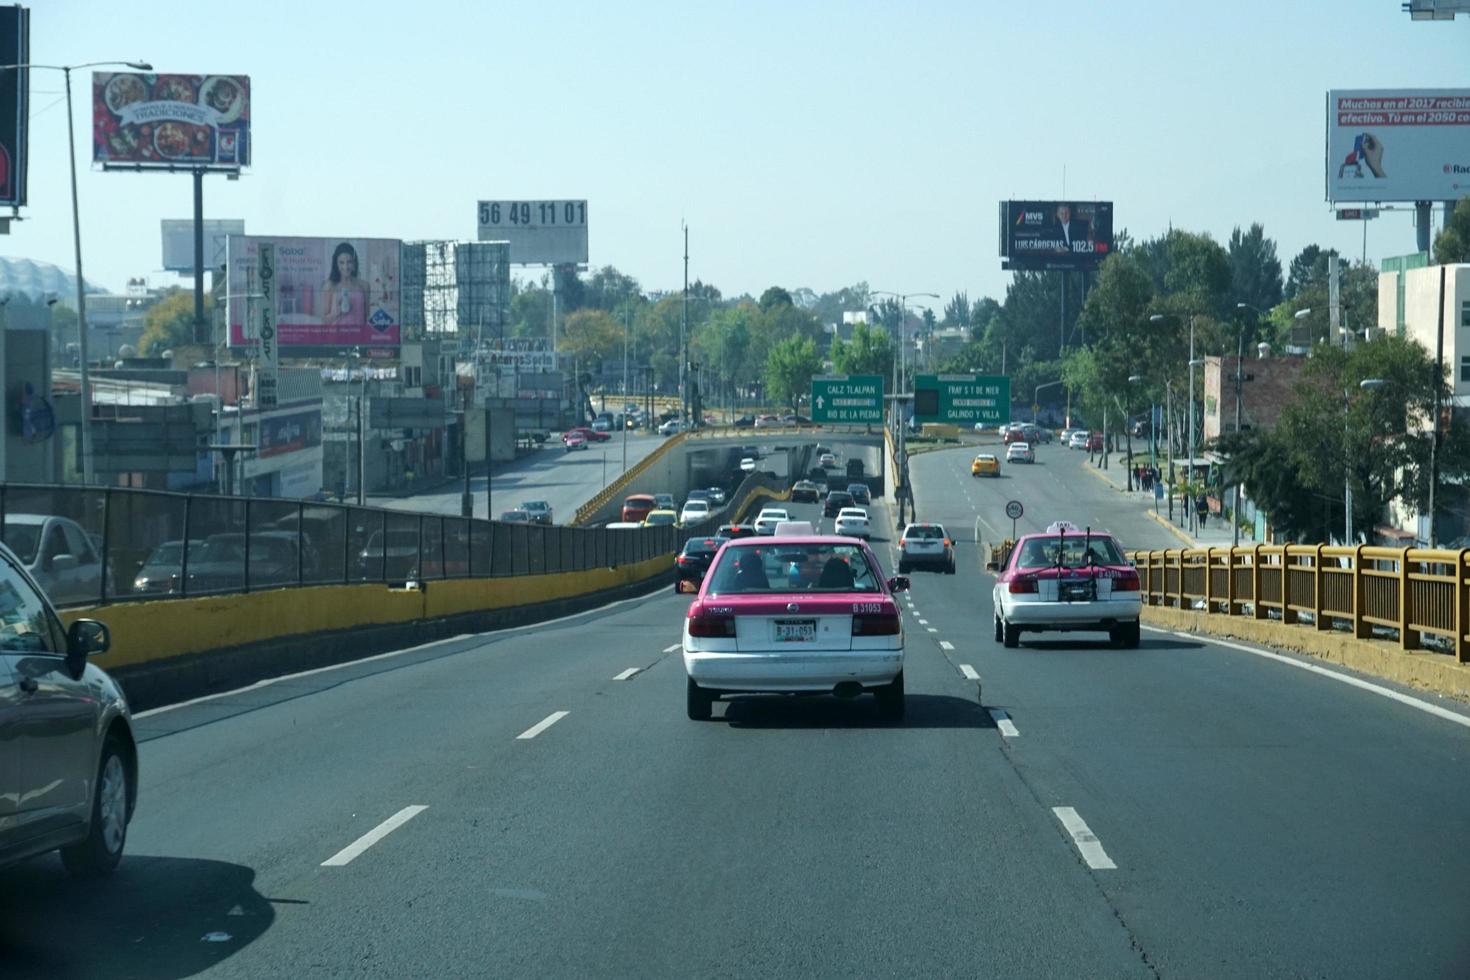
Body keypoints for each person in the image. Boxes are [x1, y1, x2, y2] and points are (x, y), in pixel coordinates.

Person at [317, 242, 370, 325]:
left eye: (349, 262)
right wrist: (336, 312)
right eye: (341, 262)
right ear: (336, 264)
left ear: (354, 263)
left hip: (358, 335)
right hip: (336, 336)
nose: (345, 267)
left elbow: (366, 317)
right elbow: (324, 320)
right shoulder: (329, 286)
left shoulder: (364, 286)